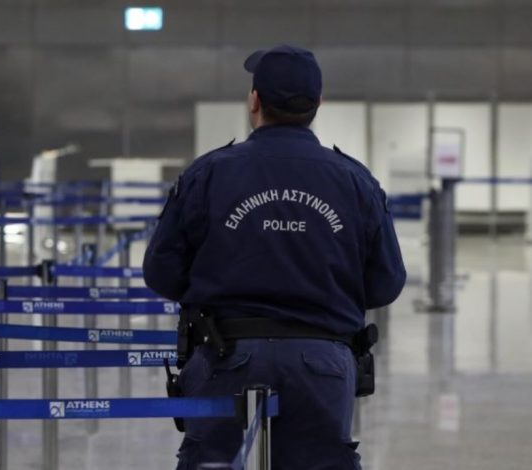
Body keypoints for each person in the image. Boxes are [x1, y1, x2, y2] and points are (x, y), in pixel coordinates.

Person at [143, 45, 406, 469]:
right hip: (323, 363)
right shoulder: (355, 181)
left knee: (212, 460)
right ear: (317, 105)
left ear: (254, 101)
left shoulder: (209, 173)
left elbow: (160, 272)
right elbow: (386, 283)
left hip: (224, 355)